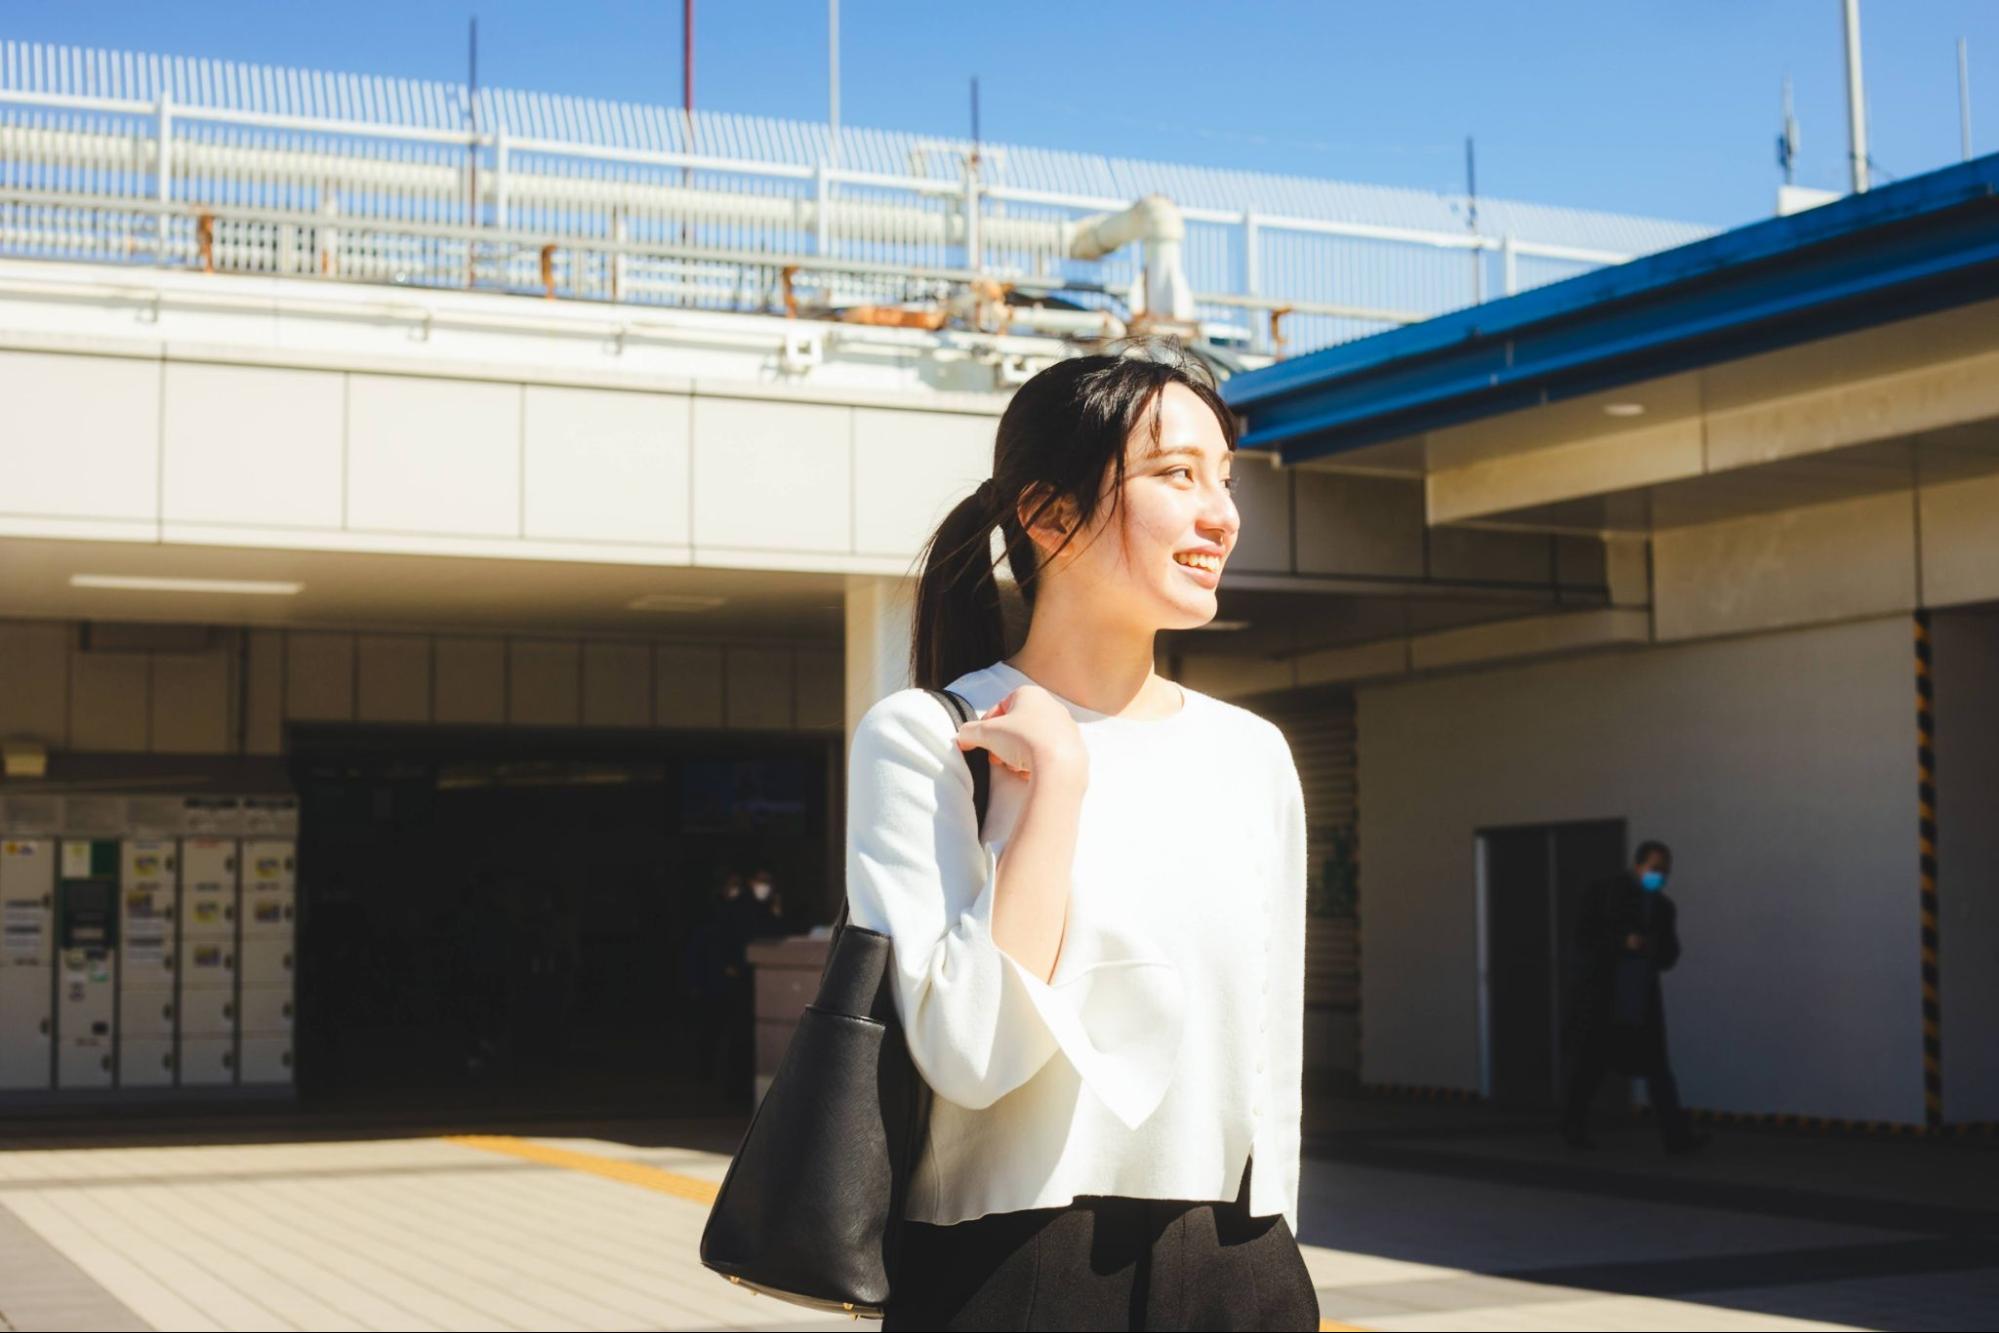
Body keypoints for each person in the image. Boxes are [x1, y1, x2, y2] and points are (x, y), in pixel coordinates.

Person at [848, 348, 1319, 1330]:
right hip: (1013, 1266)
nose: (1219, 514)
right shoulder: (930, 737)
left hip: (1237, 1263)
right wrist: (1055, 784)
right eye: (1175, 474)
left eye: (1223, 478)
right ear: (1049, 513)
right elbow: (972, 1054)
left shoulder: (1251, 754)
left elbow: (1268, 1065)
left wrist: (1274, 1254)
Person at [1560, 840, 1708, 1154]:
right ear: (1637, 866)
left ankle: (1676, 1137)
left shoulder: (1663, 908)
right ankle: (1573, 1128)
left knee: (1657, 1069)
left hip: (1640, 998)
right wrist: (1621, 942)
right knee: (1590, 1064)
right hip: (1603, 995)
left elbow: (1670, 954)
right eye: (1655, 870)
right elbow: (1584, 938)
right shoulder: (1605, 894)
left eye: (1665, 872)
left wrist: (1654, 949)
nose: (1661, 877)